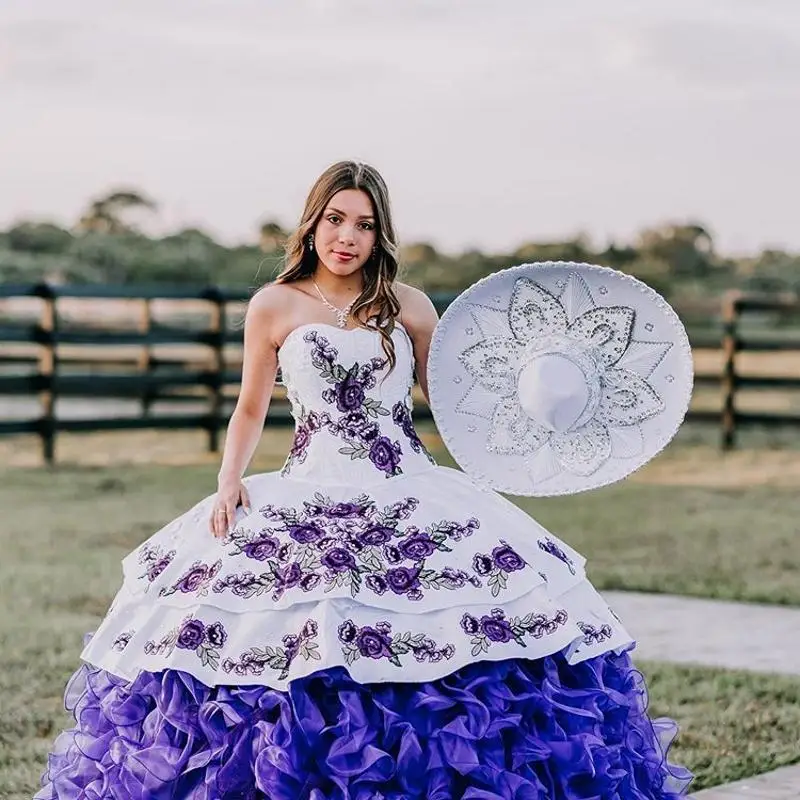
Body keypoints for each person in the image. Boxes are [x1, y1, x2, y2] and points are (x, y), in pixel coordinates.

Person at [36, 161, 692, 799]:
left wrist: (541, 402)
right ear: (312, 223)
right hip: (306, 484)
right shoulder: (275, 304)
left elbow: (457, 401)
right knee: (277, 632)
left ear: (381, 235)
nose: (348, 236)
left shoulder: (408, 306)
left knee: (468, 624)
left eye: (365, 225)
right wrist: (229, 478)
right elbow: (250, 407)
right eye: (336, 219)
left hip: (408, 484)